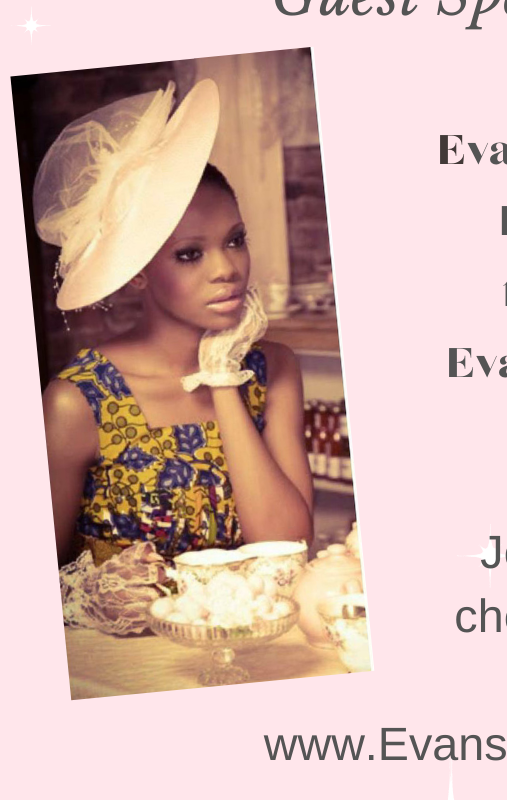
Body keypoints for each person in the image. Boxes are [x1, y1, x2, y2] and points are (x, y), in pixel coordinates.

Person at [36, 81, 314, 585]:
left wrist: (223, 377)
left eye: (235, 241)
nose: (227, 268)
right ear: (138, 270)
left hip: (253, 646)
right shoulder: (77, 401)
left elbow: (287, 550)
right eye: (190, 253)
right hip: (126, 660)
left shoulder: (274, 369)